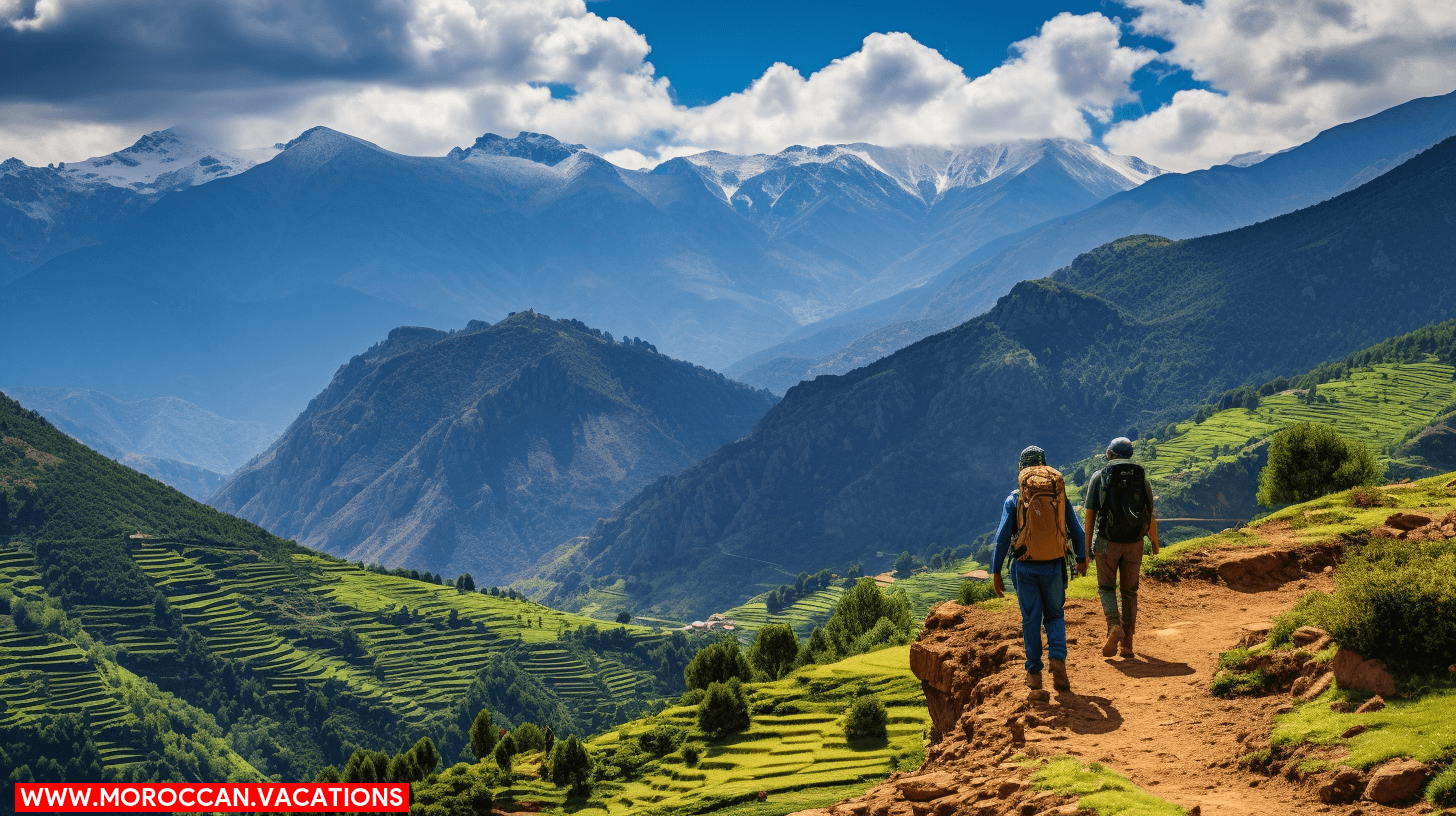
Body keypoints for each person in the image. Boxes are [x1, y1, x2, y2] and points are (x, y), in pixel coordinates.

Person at [991, 445, 1087, 691]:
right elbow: (1077, 531)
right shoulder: (1058, 493)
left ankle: (1034, 674)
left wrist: (996, 571)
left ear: (1022, 469)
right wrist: (1081, 557)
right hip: (1054, 565)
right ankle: (1057, 658)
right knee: (1055, 614)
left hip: (1025, 568)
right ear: (1045, 466)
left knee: (1031, 621)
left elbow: (1003, 538)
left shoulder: (1014, 498)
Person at [1083, 436, 1160, 659]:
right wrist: (1154, 544)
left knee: (1107, 588)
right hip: (1134, 545)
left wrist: (1086, 549)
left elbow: (1090, 516)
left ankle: (1113, 626)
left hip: (1107, 544)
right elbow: (1149, 515)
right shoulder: (1142, 479)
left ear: (1110, 455)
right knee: (1129, 592)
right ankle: (1128, 645)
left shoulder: (1100, 477)